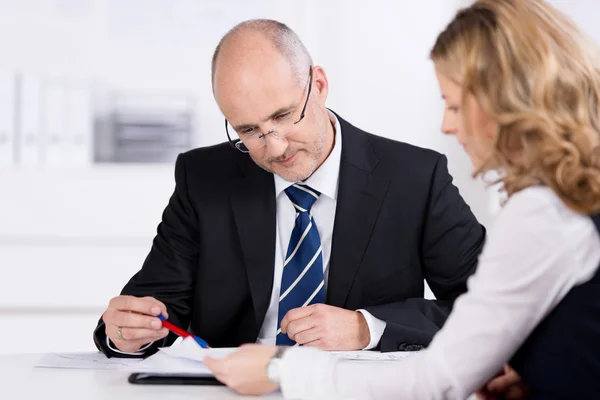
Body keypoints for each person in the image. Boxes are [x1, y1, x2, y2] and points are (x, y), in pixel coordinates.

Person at [203, 0, 600, 398]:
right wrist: (549, 372)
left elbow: (435, 380)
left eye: (455, 105)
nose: (447, 124)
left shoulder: (543, 211)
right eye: (250, 130)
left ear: (511, 104)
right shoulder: (576, 201)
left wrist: (283, 370)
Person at [93, 19, 485, 358]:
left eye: (283, 116)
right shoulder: (203, 177)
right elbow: (154, 306)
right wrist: (128, 333)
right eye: (248, 130)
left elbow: (488, 308)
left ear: (318, 84)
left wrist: (369, 329)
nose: (274, 147)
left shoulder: (415, 177)